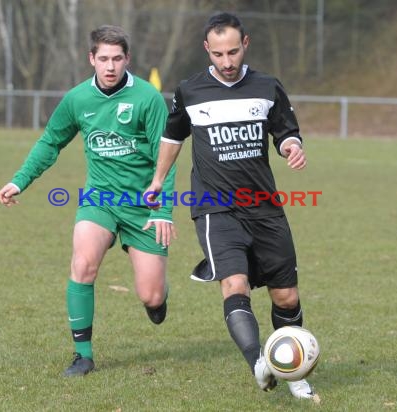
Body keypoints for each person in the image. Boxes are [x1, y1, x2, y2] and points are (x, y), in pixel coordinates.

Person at [145, 12, 316, 400]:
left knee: (286, 296)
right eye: (219, 53)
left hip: (265, 207)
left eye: (233, 52)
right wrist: (157, 180)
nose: (227, 61)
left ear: (246, 44)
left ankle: (295, 372)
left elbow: (286, 132)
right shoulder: (190, 91)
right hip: (215, 207)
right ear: (207, 49)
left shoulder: (268, 86)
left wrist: (292, 147)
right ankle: (259, 362)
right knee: (233, 283)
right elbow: (172, 138)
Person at [0, 25, 176, 377]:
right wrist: (20, 181)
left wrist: (163, 210)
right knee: (82, 264)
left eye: (117, 59)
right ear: (91, 59)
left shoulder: (148, 98)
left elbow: (165, 157)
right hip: (99, 199)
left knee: (151, 296)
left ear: (128, 59)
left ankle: (157, 297)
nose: (110, 67)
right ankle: (83, 355)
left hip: (143, 205)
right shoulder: (78, 99)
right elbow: (51, 143)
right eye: (104, 59)